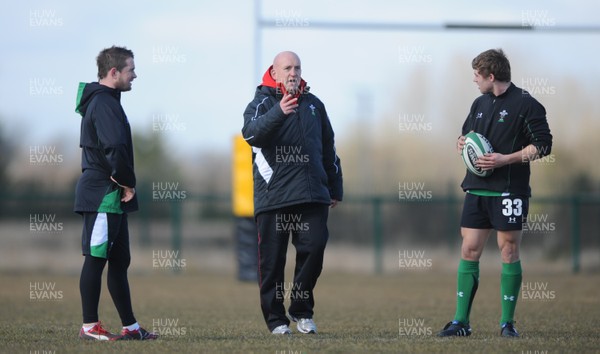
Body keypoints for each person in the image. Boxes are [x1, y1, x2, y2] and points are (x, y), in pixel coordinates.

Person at [438, 49, 552, 338]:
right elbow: (467, 138)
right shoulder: (478, 102)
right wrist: (462, 142)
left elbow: (543, 146)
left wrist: (504, 159)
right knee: (469, 249)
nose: (474, 80)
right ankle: (461, 322)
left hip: (509, 191)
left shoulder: (527, 104)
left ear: (491, 76)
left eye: (477, 75)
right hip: (476, 189)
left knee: (509, 250)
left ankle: (507, 323)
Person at [242, 51, 343, 335]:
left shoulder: (314, 104)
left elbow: (329, 148)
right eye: (287, 68)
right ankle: (276, 321)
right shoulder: (260, 103)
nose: (293, 72)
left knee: (314, 248)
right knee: (272, 264)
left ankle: (301, 311)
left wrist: (335, 186)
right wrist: (279, 112)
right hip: (274, 197)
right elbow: (250, 134)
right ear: (274, 73)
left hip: (312, 196)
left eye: (297, 67)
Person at [74, 46, 157, 341]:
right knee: (95, 259)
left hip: (112, 195)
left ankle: (131, 328)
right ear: (114, 73)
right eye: (130, 70)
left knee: (120, 262)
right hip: (103, 194)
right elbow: (114, 149)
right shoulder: (104, 104)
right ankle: (89, 327)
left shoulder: (109, 101)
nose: (135, 75)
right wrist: (126, 183)